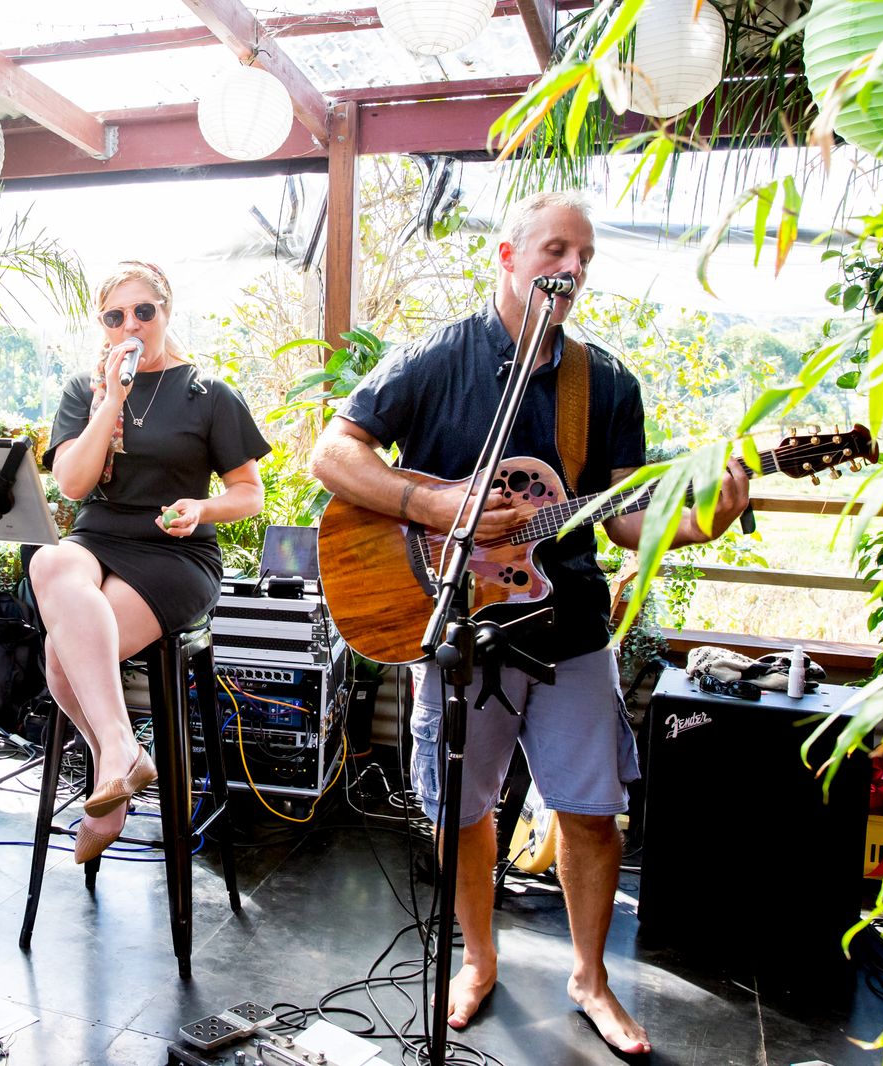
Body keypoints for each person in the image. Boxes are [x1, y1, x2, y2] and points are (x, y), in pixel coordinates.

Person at [309, 191, 750, 1055]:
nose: (573, 269)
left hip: (568, 624)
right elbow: (333, 453)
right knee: (461, 810)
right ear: (508, 258)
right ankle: (477, 960)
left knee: (591, 812)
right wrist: (435, 504)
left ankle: (590, 978)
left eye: (585, 257)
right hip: (457, 625)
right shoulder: (439, 357)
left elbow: (626, 518)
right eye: (556, 250)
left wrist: (703, 520)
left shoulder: (604, 383)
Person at [31, 261, 271, 864]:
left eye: (144, 311)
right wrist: (110, 400)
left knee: (62, 653)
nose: (131, 325)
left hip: (175, 551)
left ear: (166, 312)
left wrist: (203, 507)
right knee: (50, 562)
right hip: (99, 536)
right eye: (115, 316)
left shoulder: (207, 393)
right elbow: (72, 485)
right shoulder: (85, 391)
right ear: (103, 325)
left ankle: (112, 767)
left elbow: (250, 492)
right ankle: (120, 751)